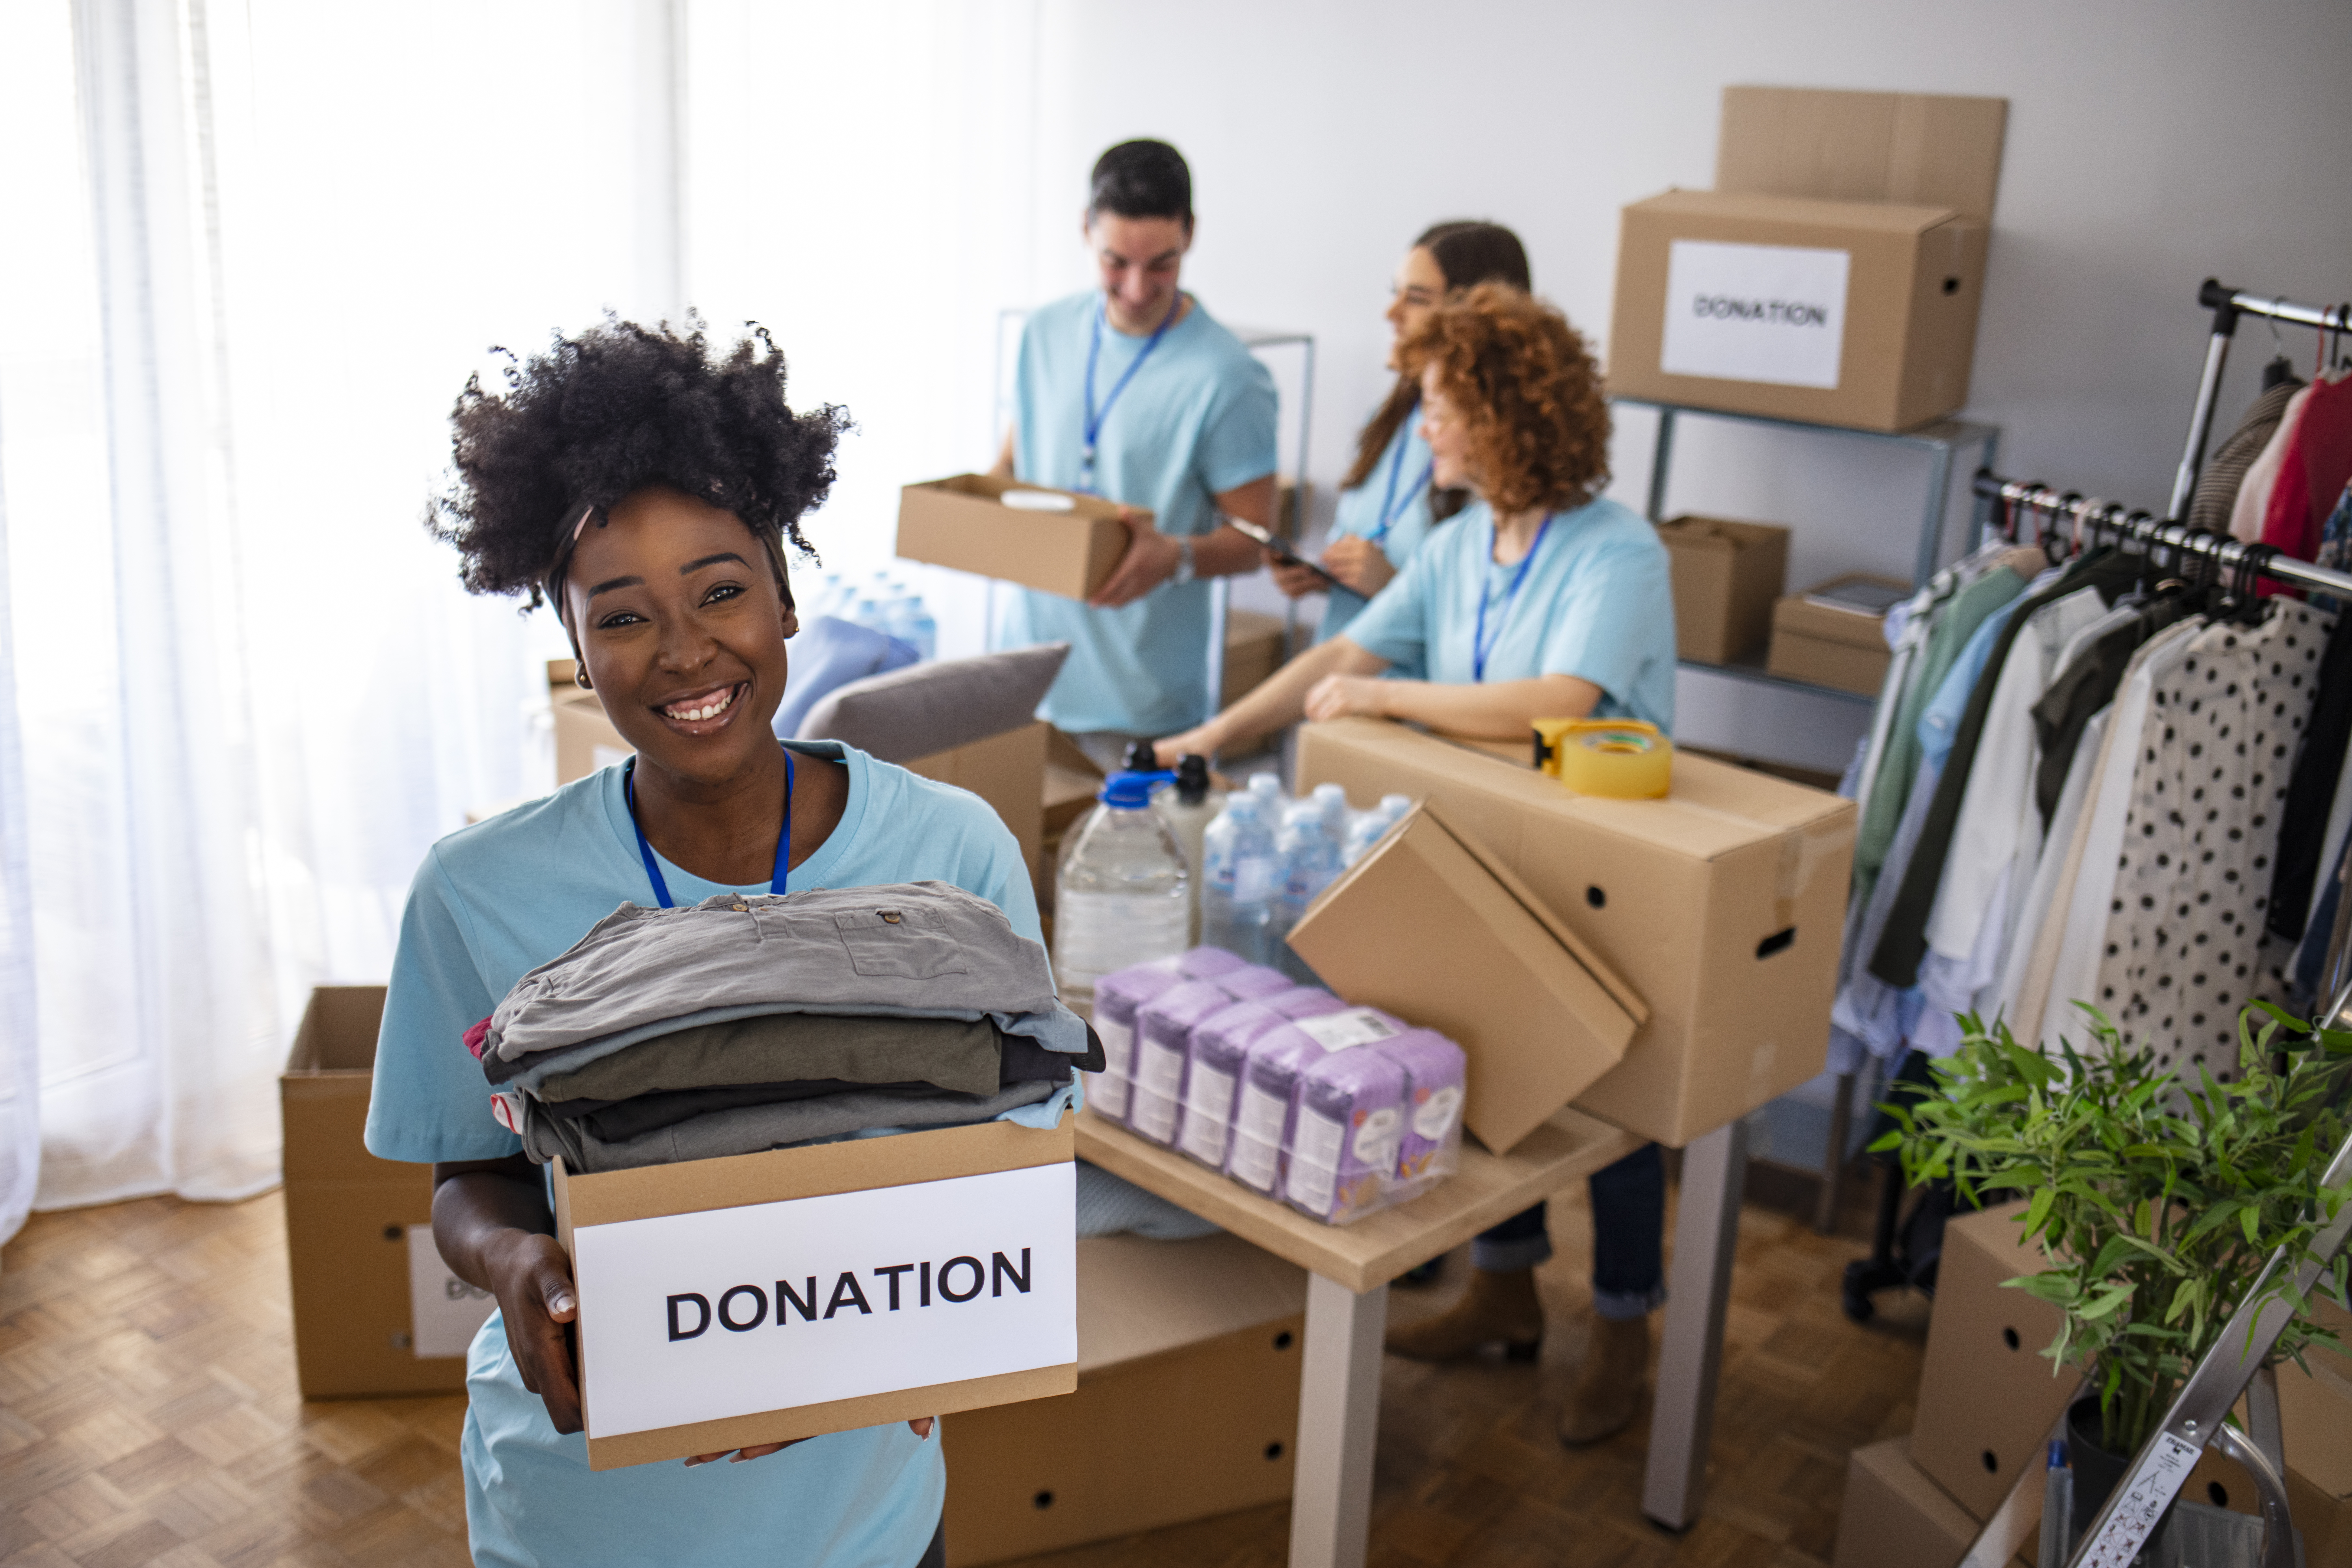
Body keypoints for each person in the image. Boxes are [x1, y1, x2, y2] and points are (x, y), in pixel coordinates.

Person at [368, 318, 1060, 1567]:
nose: (685, 648)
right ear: (572, 646)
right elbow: (467, 1177)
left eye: (722, 589)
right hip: (590, 1509)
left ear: (787, 595)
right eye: (623, 614)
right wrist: (516, 1260)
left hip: (863, 1507)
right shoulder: (475, 890)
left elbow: (1004, 1157)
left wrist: (910, 1331)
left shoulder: (954, 854)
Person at [1154, 283, 1674, 1446]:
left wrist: (1388, 696)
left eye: (1441, 406)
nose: (1425, 427)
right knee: (1477, 1058)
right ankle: (1505, 1289)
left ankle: (1628, 1321)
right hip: (1493, 853)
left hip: (1608, 871)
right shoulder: (1462, 543)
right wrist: (1213, 734)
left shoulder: (1616, 549)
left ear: (1505, 414)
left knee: (1619, 1103)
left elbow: (1559, 701)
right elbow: (1345, 646)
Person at [993, 139, 1279, 765]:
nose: (1136, 287)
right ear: (1086, 231)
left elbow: (1256, 540)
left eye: (1162, 266)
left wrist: (1174, 557)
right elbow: (1011, 469)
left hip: (1140, 711)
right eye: (1115, 261)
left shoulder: (1228, 376)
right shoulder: (1046, 333)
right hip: (1023, 682)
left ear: (1191, 237)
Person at [1269, 222, 1531, 661]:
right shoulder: (1389, 420)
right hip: (1340, 679)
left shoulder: (1500, 456)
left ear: (1472, 318)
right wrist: (1323, 571)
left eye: (1417, 299)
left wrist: (1390, 586)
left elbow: (1497, 629)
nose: (1391, 314)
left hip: (1421, 701)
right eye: (1396, 292)